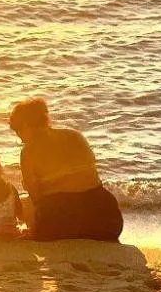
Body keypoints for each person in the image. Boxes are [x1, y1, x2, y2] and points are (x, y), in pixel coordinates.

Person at [10, 97, 123, 242]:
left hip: (62, 223)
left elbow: (36, 197)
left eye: (18, 132)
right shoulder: (75, 136)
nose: (20, 139)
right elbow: (91, 175)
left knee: (24, 203)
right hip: (107, 219)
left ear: (25, 125)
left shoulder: (28, 151)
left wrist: (35, 187)